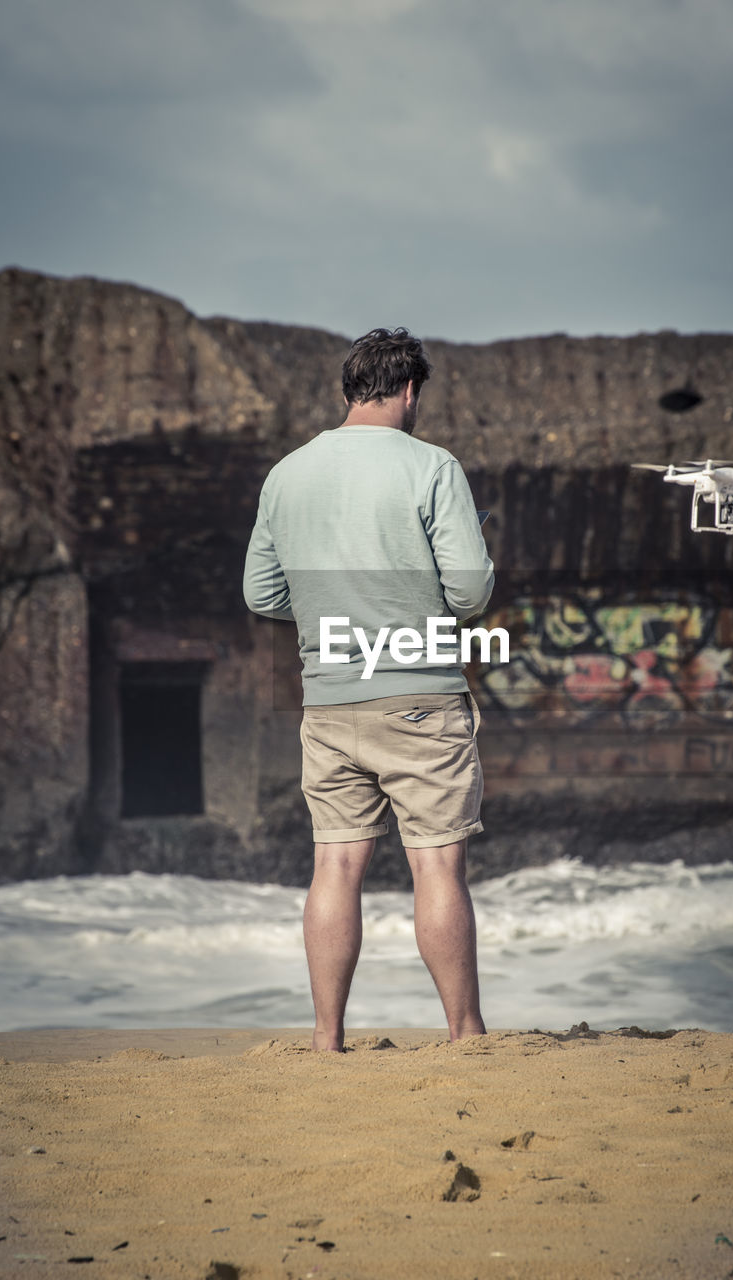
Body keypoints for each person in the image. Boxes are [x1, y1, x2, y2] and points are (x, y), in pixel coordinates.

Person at [243, 327, 494, 1051]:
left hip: (328, 701)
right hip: (417, 695)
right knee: (437, 862)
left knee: (337, 863)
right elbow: (471, 591)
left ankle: (327, 1040)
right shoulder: (433, 467)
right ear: (411, 391)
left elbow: (262, 593)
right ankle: (465, 1033)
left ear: (345, 391)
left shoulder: (288, 473)